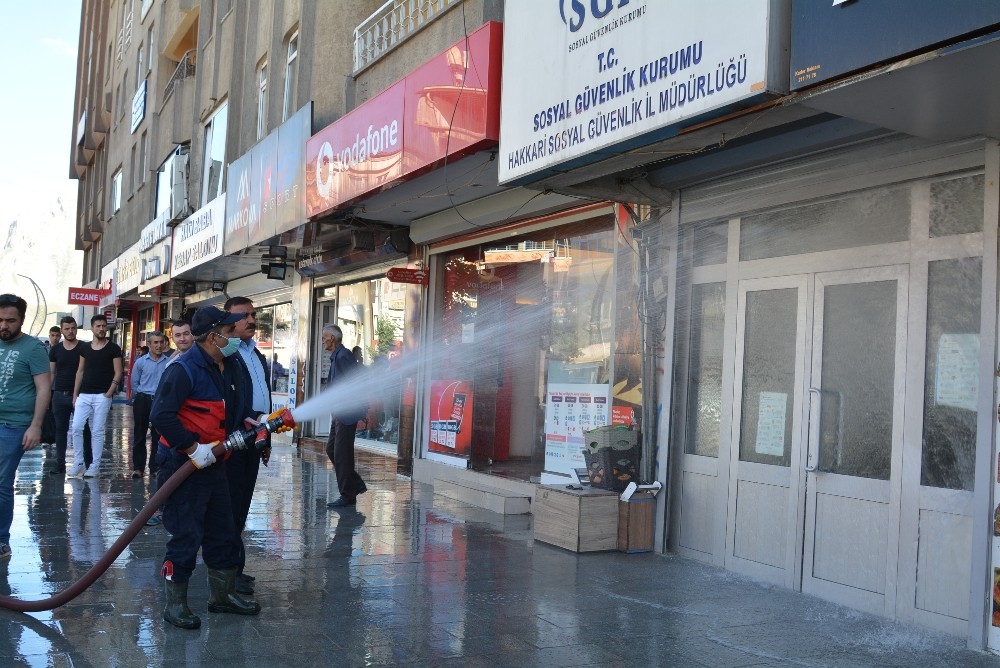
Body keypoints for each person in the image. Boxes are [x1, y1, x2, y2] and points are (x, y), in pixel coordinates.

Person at [150, 305, 260, 629]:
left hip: (216, 463)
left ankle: (222, 597)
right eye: (228, 332)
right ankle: (175, 605)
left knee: (223, 531)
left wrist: (247, 420)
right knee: (186, 534)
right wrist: (191, 447)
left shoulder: (228, 364)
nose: (234, 336)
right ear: (213, 336)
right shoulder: (182, 370)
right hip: (183, 465)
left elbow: (232, 409)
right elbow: (161, 416)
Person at [222, 296, 272, 594]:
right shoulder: (227, 356)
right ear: (228, 321)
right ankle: (228, 572)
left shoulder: (258, 355)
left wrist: (266, 439)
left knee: (241, 508)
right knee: (230, 508)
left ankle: (235, 567)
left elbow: (261, 401)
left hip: (254, 440)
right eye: (244, 316)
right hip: (234, 443)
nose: (251, 320)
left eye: (254, 314)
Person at [0, 294, 51, 560]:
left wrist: (35, 426)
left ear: (21, 320)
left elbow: (44, 389)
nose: (3, 325)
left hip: (14, 424)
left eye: (10, 320)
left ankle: (1, 540)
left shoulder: (33, 348)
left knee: (1, 482)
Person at [68, 314, 123, 478]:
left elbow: (118, 371)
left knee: (97, 430)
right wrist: (75, 394)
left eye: (104, 326)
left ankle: (95, 465)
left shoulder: (113, 348)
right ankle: (78, 463)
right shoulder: (84, 348)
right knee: (76, 427)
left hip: (102, 395)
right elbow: (80, 371)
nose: (101, 329)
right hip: (84, 394)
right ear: (92, 328)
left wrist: (109, 392)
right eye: (98, 326)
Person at [322, 324, 367, 508]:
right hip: (339, 413)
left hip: (347, 413)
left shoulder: (343, 356)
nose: (323, 340)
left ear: (332, 338)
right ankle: (355, 484)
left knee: (342, 454)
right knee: (332, 450)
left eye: (324, 337)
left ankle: (348, 494)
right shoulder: (337, 357)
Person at [49, 316, 91, 476]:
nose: (70, 331)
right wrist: (47, 395)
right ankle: (60, 464)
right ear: (61, 331)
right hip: (59, 395)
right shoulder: (55, 350)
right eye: (67, 329)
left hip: (81, 396)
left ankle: (89, 463)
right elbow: (52, 373)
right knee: (60, 430)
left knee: (84, 429)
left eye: (73, 328)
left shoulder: (85, 347)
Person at [129, 331, 169, 478]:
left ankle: (155, 468)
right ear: (149, 344)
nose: (159, 345)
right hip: (143, 400)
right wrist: (140, 395)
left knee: (158, 436)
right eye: (155, 342)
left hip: (160, 401)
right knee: (139, 434)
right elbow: (135, 383)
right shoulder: (140, 362)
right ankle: (138, 468)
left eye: (161, 342)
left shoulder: (168, 361)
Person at [40, 326, 61, 446]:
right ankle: (48, 437)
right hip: (47, 385)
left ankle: (55, 437)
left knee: (56, 413)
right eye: (53, 335)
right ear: (49, 336)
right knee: (46, 411)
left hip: (58, 386)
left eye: (57, 335)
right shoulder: (44, 351)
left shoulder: (62, 349)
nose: (55, 338)